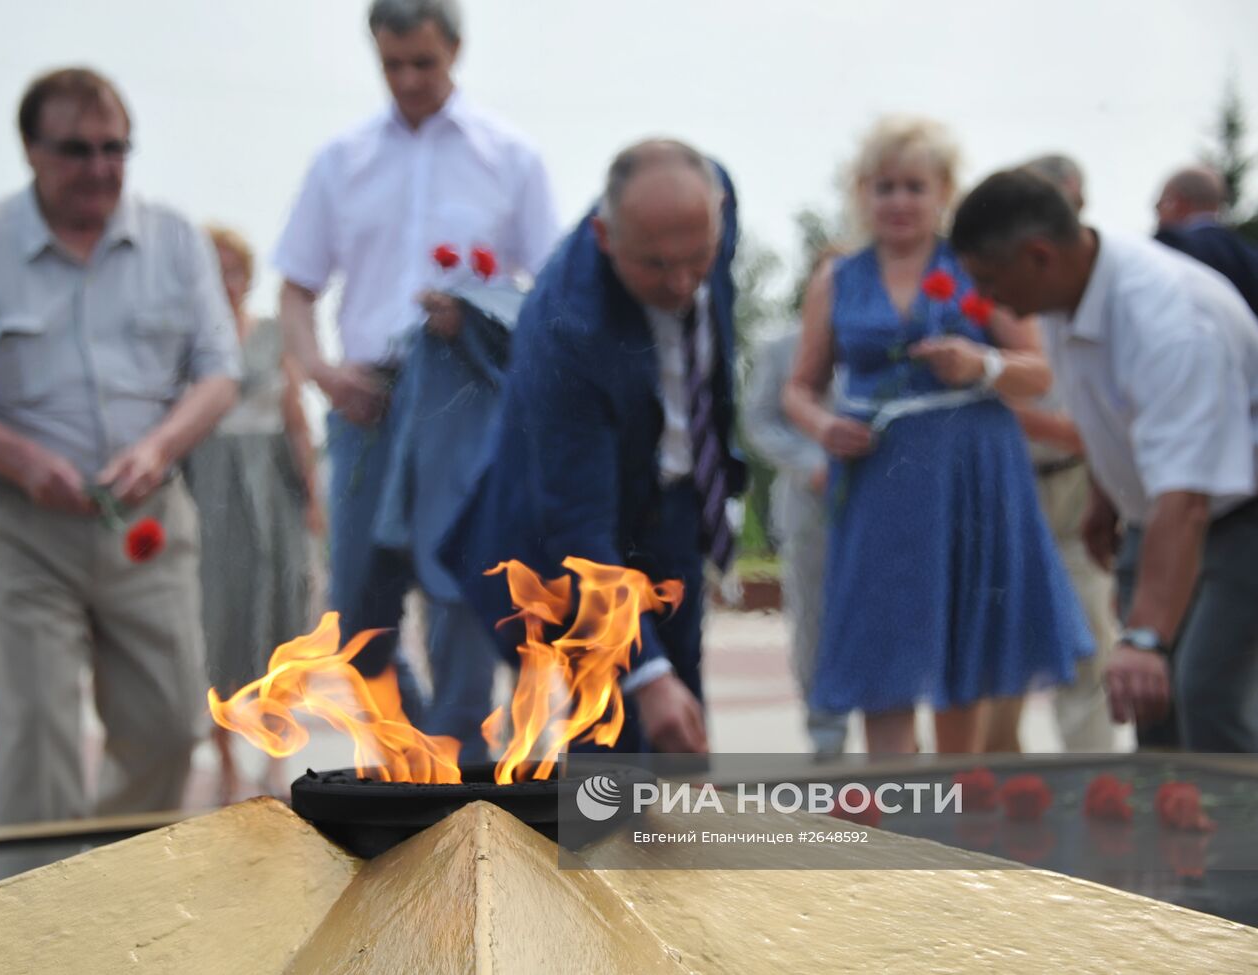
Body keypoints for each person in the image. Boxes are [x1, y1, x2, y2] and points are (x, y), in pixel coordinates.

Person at [0, 67, 240, 828]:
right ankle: (35, 930)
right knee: (39, 737)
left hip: (146, 523)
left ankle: (109, 891)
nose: (100, 168)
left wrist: (160, 446)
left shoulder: (175, 241)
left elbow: (220, 374)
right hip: (24, 526)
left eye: (115, 148)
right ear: (30, 150)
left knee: (169, 727)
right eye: (77, 149)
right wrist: (23, 459)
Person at [274, 0, 560, 762]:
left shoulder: (509, 156)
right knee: (355, 609)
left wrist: (472, 312)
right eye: (392, 64)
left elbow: (552, 296)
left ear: (455, 51)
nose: (408, 79)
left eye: (423, 64)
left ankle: (463, 758)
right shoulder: (342, 160)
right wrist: (322, 371)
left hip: (466, 401)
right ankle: (418, 749)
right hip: (364, 402)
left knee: (458, 589)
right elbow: (296, 289)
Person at [781, 116, 1092, 756]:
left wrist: (983, 364)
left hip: (972, 475)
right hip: (877, 481)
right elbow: (798, 387)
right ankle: (897, 821)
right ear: (862, 192)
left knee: (965, 646)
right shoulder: (836, 279)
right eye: (885, 186)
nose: (899, 201)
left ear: (943, 191)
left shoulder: (977, 267)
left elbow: (1039, 372)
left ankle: (954, 812)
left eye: (915, 187)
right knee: (881, 648)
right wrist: (823, 425)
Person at [443, 139, 743, 755]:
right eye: (657, 266)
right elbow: (578, 530)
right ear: (607, 239)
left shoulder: (715, 201)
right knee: (615, 742)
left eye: (699, 258)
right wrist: (646, 673)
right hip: (581, 541)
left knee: (681, 732)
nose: (684, 282)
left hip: (674, 500)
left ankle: (683, 847)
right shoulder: (566, 330)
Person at [952, 167, 1258, 753]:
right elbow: (1108, 413)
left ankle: (1236, 843)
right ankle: (1175, 837)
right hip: (1161, 512)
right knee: (1154, 705)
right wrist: (1103, 497)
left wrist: (1144, 635)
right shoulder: (1066, 293)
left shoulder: (1167, 321)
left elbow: (1188, 497)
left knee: (1208, 695)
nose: (986, 301)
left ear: (1038, 256)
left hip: (1238, 514)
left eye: (990, 281)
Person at [981, 154, 1117, 753]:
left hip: (1075, 488)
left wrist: (1030, 418)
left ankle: (1092, 780)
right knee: (1002, 645)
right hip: (1010, 488)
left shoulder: (1098, 296)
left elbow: (1100, 423)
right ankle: (990, 787)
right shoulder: (1000, 291)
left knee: (1087, 639)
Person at [185, 226, 320, 803]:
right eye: (212, 270)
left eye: (233, 269)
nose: (225, 282)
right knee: (217, 619)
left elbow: (294, 419)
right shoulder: (186, 341)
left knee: (280, 614)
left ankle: (272, 755)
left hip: (273, 494)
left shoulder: (271, 336)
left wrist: (314, 495)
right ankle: (223, 760)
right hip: (210, 491)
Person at [742, 299, 849, 757]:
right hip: (810, 505)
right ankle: (827, 738)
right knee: (814, 621)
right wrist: (812, 465)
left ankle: (897, 742)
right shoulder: (783, 346)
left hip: (883, 506)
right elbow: (758, 420)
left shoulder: (894, 344)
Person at [1154, 165, 1258, 315]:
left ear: (1176, 203)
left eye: (1159, 205)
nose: (1158, 216)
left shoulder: (1170, 247)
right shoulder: (1249, 254)